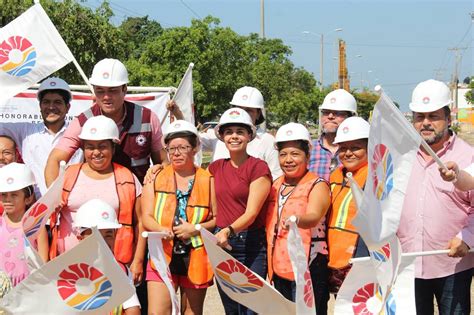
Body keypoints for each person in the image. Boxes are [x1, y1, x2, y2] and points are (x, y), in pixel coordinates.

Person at [397, 79, 473, 314]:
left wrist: (468, 237)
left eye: (434, 116)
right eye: (420, 117)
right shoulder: (399, 156)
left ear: (448, 119)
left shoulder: (467, 155)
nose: (426, 123)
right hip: (406, 263)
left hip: (452, 266)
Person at [49, 115, 146, 284]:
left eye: (102, 146)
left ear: (113, 148)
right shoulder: (68, 176)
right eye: (90, 147)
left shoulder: (127, 178)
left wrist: (137, 260)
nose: (96, 153)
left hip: (112, 265)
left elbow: (141, 223)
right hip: (69, 265)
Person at [45, 58, 166, 186]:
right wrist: (53, 199)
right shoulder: (82, 122)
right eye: (100, 91)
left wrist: (158, 172)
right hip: (94, 199)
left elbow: (164, 162)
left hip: (138, 199)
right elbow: (55, 160)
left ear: (124, 89)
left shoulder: (147, 118)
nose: (106, 97)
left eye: (112, 90)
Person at [141, 120, 216, 315]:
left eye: (183, 147)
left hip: (197, 255)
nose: (176, 153)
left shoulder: (208, 180)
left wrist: (196, 228)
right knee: (158, 312)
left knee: (192, 311)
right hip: (162, 255)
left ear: (195, 148)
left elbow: (216, 218)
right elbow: (146, 216)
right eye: (171, 148)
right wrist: (160, 229)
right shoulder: (155, 177)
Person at [209, 107, 272, 315]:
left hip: (251, 245)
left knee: (252, 308)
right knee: (232, 309)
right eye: (229, 132)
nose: (234, 136)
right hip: (222, 244)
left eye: (239, 131)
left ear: (249, 136)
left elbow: (252, 213)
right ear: (222, 136)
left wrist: (228, 231)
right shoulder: (215, 168)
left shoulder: (258, 167)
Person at [266, 123, 331, 314]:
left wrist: (296, 220)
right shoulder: (276, 184)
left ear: (307, 156)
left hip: (308, 265)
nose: (288, 160)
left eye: (295, 154)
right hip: (279, 265)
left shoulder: (317, 185)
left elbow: (314, 216)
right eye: (283, 154)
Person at [0, 77, 83, 199]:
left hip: (70, 204)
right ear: (40, 106)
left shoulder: (79, 132)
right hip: (35, 208)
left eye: (57, 102)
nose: (51, 107)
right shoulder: (25, 131)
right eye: (46, 102)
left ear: (68, 107)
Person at [326, 117, 370, 293]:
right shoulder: (334, 176)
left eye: (356, 147)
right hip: (334, 261)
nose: (348, 153)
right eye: (343, 148)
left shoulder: (376, 180)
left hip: (360, 262)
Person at [74, 198, 141, 315]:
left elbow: (133, 309)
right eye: (96, 235)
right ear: (80, 238)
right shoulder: (68, 272)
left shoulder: (121, 270)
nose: (103, 242)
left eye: (108, 235)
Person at [200, 86, 282, 180]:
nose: (243, 113)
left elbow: (276, 176)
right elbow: (189, 141)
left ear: (258, 113)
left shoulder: (267, 141)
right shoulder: (216, 135)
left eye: (249, 110)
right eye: (239, 109)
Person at [0, 163, 49, 286]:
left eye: (14, 195)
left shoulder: (36, 226)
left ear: (27, 198)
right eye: (3, 195)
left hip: (28, 287)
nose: (8, 200)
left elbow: (43, 260)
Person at [309, 89, 357, 181]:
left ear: (351, 117)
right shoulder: (309, 148)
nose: (330, 116)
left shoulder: (359, 153)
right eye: (326, 112)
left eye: (338, 113)